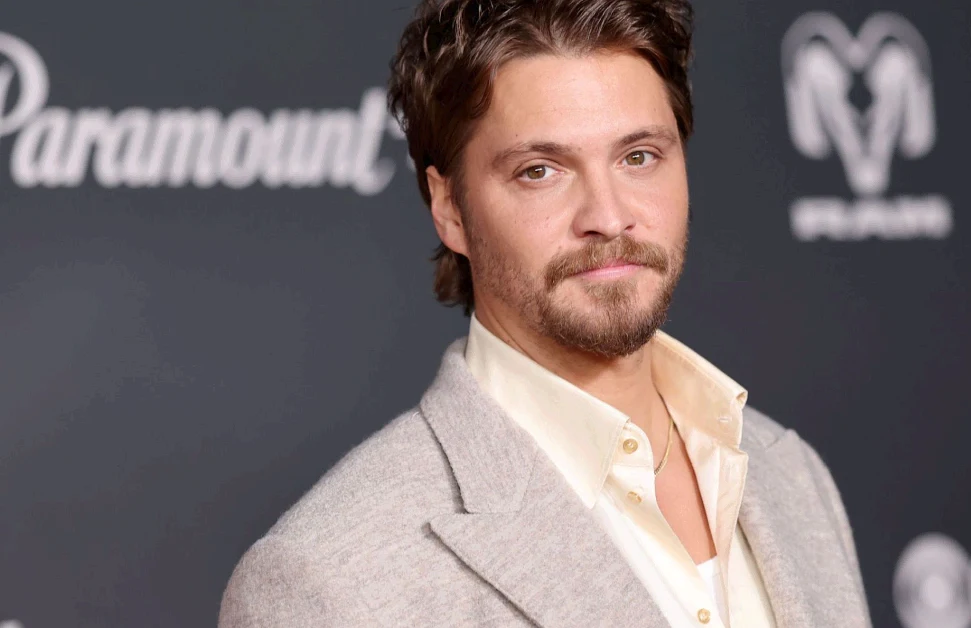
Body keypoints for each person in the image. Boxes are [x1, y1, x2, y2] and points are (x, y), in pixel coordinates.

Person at [218, 1, 870, 626]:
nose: (609, 216)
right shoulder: (330, 583)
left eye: (638, 157)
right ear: (448, 208)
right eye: (540, 171)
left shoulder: (789, 473)